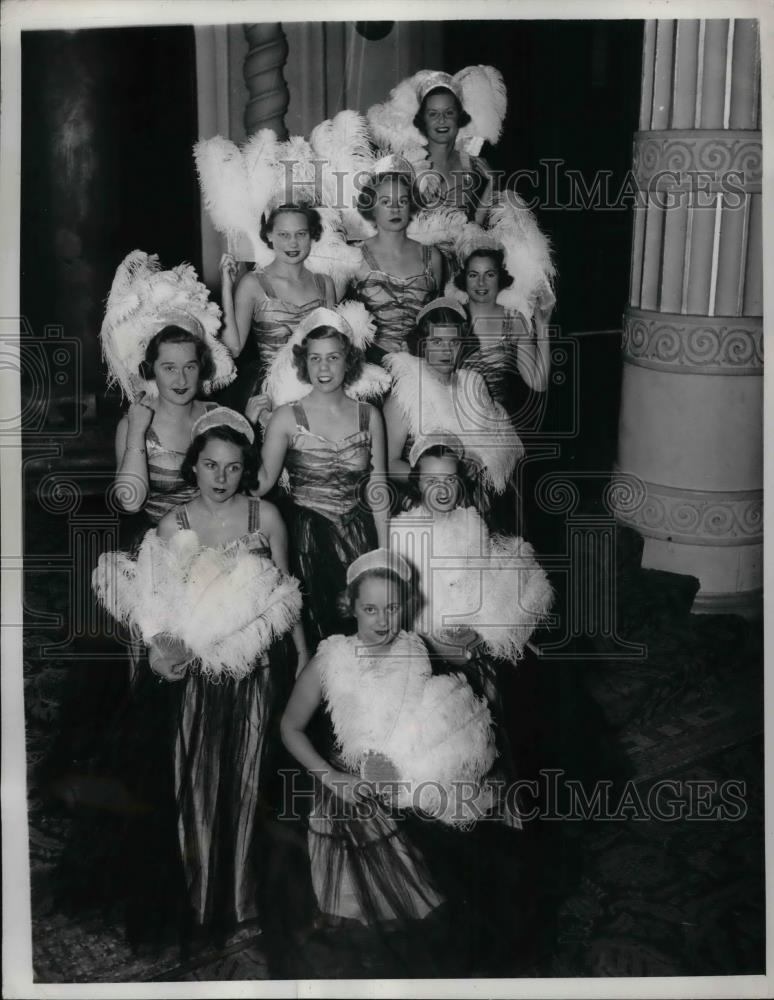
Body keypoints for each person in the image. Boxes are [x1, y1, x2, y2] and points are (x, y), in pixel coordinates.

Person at [84, 407, 306, 948]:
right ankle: (202, 896)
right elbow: (156, 605)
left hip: (255, 669)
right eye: (210, 465)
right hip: (198, 678)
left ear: (246, 468)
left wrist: (301, 657)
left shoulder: (266, 518)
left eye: (232, 467)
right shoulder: (173, 524)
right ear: (194, 467)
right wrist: (163, 652)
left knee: (250, 778)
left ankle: (244, 896)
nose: (221, 478)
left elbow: (289, 593)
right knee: (199, 779)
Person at [40, 252, 235, 790]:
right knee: (112, 631)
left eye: (190, 365)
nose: (180, 377)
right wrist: (137, 429)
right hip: (148, 540)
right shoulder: (138, 417)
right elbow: (127, 502)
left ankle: (211, 753)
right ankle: (132, 762)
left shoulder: (217, 419)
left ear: (204, 366)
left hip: (209, 541)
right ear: (150, 370)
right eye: (168, 367)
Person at [279, 548, 498, 931]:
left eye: (393, 609)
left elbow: (431, 715)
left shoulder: (414, 648)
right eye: (370, 610)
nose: (383, 621)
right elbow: (289, 727)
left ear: (406, 607)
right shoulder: (330, 659)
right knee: (375, 899)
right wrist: (334, 779)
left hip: (409, 782)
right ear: (351, 606)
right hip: (350, 785)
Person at [257, 307, 388, 644]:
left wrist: (384, 553)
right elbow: (262, 483)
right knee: (318, 636)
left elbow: (378, 487)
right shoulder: (285, 418)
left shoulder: (369, 415)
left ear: (349, 360)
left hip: (359, 535)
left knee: (363, 633)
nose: (324, 368)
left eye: (333, 357)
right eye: (315, 359)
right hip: (306, 541)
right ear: (303, 362)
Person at [382, 297, 523, 515]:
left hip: (477, 503)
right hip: (423, 504)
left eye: (454, 342)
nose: (447, 351)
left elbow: (499, 442)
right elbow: (388, 463)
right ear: (422, 343)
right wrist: (437, 479)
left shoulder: (473, 384)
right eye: (437, 342)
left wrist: (481, 463)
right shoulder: (405, 395)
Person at [219, 204, 336, 419]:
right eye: (284, 235)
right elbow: (233, 348)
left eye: (301, 234)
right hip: (273, 393)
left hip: (319, 387)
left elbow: (334, 346)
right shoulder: (252, 283)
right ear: (269, 236)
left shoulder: (325, 284)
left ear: (311, 235)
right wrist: (227, 287)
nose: (293, 243)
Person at [368, 68, 506, 226]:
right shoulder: (408, 164)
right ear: (422, 121)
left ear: (460, 118)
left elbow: (474, 227)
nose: (442, 120)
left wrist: (491, 183)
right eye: (433, 114)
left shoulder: (470, 164)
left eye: (449, 113)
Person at [350, 157, 443, 362]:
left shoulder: (432, 257)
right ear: (371, 206)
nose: (395, 209)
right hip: (369, 368)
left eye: (402, 201)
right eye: (386, 202)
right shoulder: (354, 257)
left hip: (422, 367)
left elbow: (439, 323)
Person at [457, 246, 552, 411]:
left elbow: (538, 383)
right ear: (464, 278)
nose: (481, 282)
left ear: (500, 278)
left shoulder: (514, 320)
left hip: (496, 425)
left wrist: (543, 327)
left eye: (490, 274)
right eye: (473, 275)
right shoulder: (452, 315)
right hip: (455, 419)